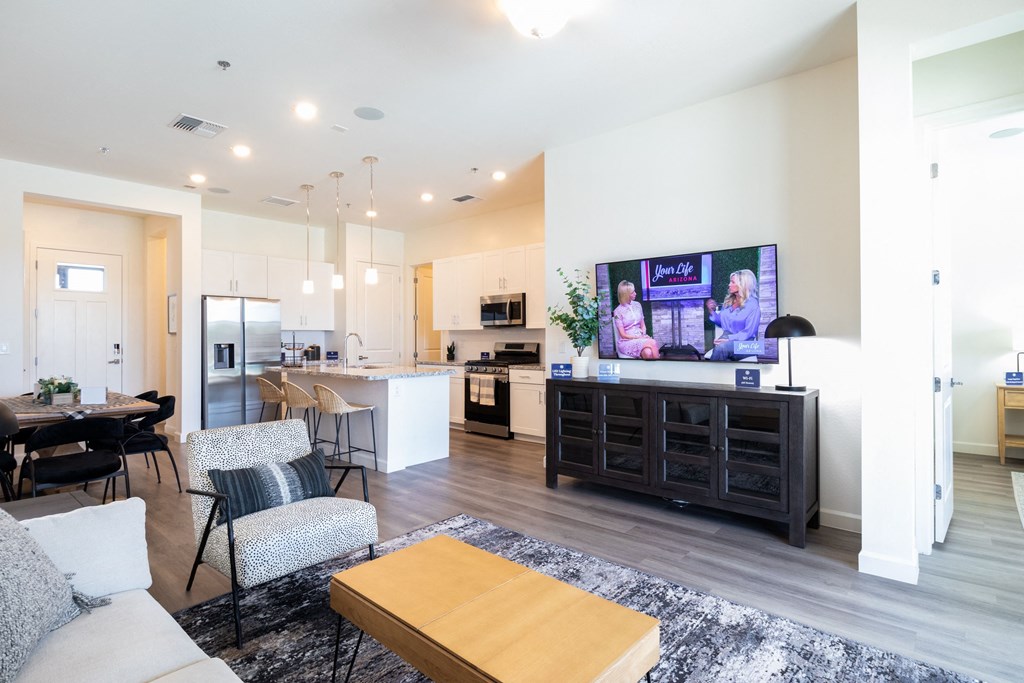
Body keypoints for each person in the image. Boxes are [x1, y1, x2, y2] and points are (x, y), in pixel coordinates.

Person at [705, 269, 760, 361]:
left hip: (746, 343)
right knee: (724, 355)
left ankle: (711, 373)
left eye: (732, 282)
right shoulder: (729, 301)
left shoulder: (752, 305)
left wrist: (729, 339)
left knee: (721, 349)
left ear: (743, 284)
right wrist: (711, 311)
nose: (729, 284)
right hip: (727, 337)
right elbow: (722, 322)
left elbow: (748, 332)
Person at [613, 280, 660, 360]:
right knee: (653, 342)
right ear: (626, 295)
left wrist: (643, 335)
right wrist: (638, 337)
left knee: (647, 353)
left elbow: (643, 325)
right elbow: (623, 335)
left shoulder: (638, 305)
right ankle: (661, 369)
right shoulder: (617, 312)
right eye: (632, 292)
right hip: (627, 342)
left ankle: (648, 372)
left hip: (640, 337)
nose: (635, 293)